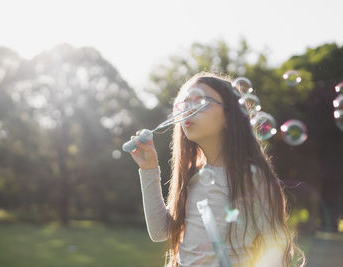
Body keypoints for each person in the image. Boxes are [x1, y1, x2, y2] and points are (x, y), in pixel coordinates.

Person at [128, 72, 305, 267]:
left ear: (229, 116)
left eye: (200, 102)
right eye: (185, 103)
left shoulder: (251, 177)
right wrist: (149, 168)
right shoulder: (194, 175)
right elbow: (160, 232)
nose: (188, 109)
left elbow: (274, 247)